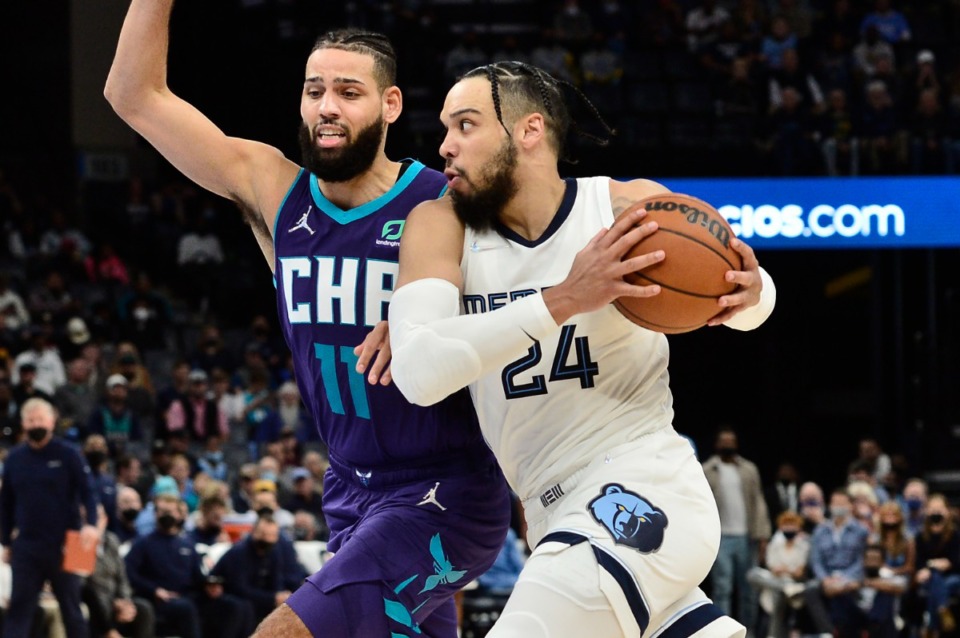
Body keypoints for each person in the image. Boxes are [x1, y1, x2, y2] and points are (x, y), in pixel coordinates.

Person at [105, 5, 511, 636]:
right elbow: (132, 95)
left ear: (391, 105)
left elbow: (537, 272)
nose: (327, 105)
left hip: (444, 491)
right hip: (348, 492)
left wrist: (427, 320)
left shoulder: (446, 201)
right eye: (314, 89)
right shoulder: (272, 187)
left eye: (349, 92)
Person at [386, 61, 776, 637]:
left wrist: (750, 292)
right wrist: (563, 299)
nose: (444, 146)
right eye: (445, 128)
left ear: (530, 130)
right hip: (550, 514)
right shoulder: (440, 226)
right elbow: (418, 373)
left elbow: (753, 303)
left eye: (465, 125)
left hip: (642, 487)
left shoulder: (624, 212)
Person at [0, 397, 100, 638]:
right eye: (31, 420)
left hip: (69, 542)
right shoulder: (14, 458)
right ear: (23, 423)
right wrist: (4, 541)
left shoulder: (69, 454)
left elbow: (88, 491)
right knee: (19, 610)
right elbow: (5, 503)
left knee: (72, 609)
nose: (36, 424)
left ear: (52, 422)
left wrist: (92, 525)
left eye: (41, 419)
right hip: (27, 545)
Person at [702, 426, 771, 630]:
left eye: (731, 441)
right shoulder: (707, 469)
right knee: (723, 588)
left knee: (749, 588)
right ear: (717, 444)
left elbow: (758, 503)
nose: (728, 445)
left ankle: (747, 630)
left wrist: (762, 535)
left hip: (745, 536)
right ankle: (724, 631)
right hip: (721, 537)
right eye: (724, 441)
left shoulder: (749, 469)